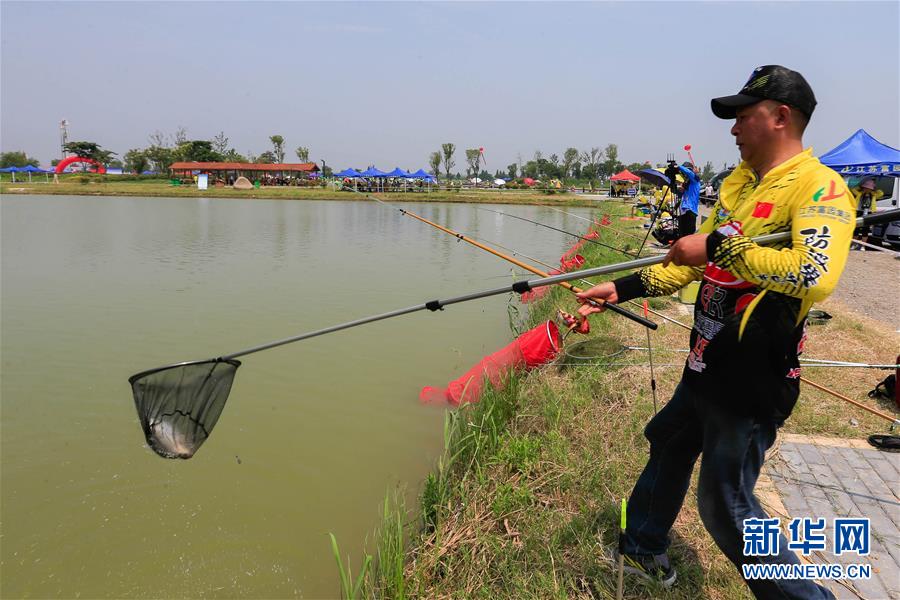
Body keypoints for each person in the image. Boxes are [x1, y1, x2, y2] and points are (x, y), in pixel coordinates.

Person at [576, 65, 854, 599]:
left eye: (742, 117)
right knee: (669, 440)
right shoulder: (739, 184)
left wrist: (721, 248)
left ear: (780, 117)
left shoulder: (822, 188)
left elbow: (814, 276)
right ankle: (641, 547)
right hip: (706, 359)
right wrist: (625, 288)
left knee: (726, 506)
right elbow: (691, 261)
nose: (732, 129)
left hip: (751, 375)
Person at [849, 177, 883, 249]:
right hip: (859, 211)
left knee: (865, 230)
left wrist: (874, 188)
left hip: (869, 212)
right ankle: (854, 244)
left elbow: (881, 193)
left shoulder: (874, 195)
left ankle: (862, 245)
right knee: (856, 229)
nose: (867, 189)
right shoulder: (859, 193)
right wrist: (861, 186)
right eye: (865, 188)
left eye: (868, 188)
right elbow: (853, 189)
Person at [677, 162, 701, 236]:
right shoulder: (687, 183)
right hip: (683, 211)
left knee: (689, 236)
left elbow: (689, 173)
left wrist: (678, 166)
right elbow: (682, 195)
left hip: (691, 211)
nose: (684, 175)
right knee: (682, 235)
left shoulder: (695, 180)